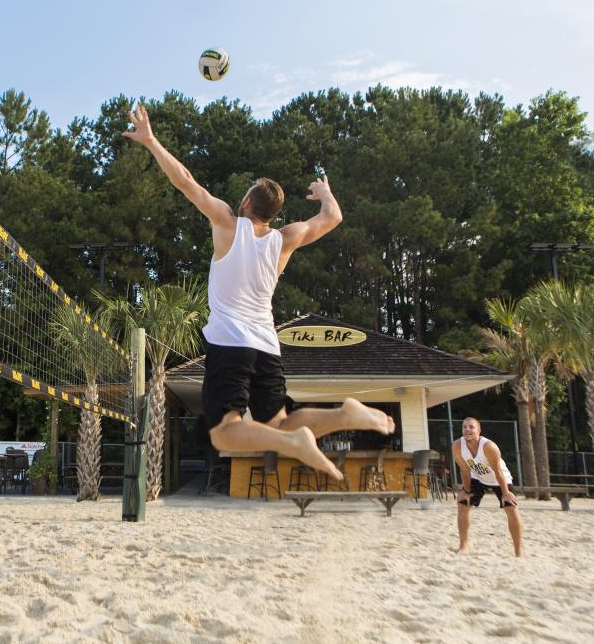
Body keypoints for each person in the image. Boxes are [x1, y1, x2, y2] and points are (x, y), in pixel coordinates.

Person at [123, 103, 394, 480]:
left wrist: (151, 141)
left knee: (224, 434)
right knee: (279, 421)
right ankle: (342, 415)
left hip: (230, 341)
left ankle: (296, 443)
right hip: (267, 345)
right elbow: (332, 218)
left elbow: (185, 181)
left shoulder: (228, 224)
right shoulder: (284, 239)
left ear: (248, 201)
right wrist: (326, 191)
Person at [453, 417, 524, 557]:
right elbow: (464, 470)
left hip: (499, 478)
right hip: (477, 477)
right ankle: (463, 546)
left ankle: (518, 551)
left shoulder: (488, 446)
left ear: (479, 431)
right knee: (463, 504)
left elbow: (497, 471)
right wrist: (466, 491)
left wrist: (505, 493)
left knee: (510, 508)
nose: (467, 429)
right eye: (464, 427)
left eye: (471, 427)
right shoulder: (457, 446)